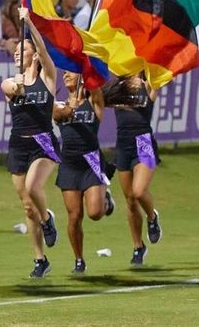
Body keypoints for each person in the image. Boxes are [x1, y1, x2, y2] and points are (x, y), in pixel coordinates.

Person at [0, 6, 61, 278]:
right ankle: (40, 259)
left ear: (33, 55)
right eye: (15, 50)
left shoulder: (47, 77)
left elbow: (44, 51)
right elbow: (9, 89)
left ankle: (47, 219)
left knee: (33, 186)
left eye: (22, 49)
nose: (17, 53)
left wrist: (29, 23)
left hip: (43, 141)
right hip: (18, 144)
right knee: (27, 205)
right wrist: (17, 86)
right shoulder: (10, 81)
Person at [54, 71, 115, 274]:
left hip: (91, 162)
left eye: (70, 72)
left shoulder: (94, 102)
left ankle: (106, 201)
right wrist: (70, 108)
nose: (65, 75)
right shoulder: (59, 105)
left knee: (95, 213)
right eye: (64, 73)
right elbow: (58, 114)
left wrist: (86, 67)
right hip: (70, 164)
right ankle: (79, 260)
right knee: (74, 216)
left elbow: (95, 87)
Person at [103, 73, 163, 267]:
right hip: (123, 144)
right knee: (130, 200)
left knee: (138, 191)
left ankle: (152, 217)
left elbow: (165, 72)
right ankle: (138, 246)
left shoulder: (149, 83)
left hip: (143, 143)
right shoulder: (118, 85)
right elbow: (99, 97)